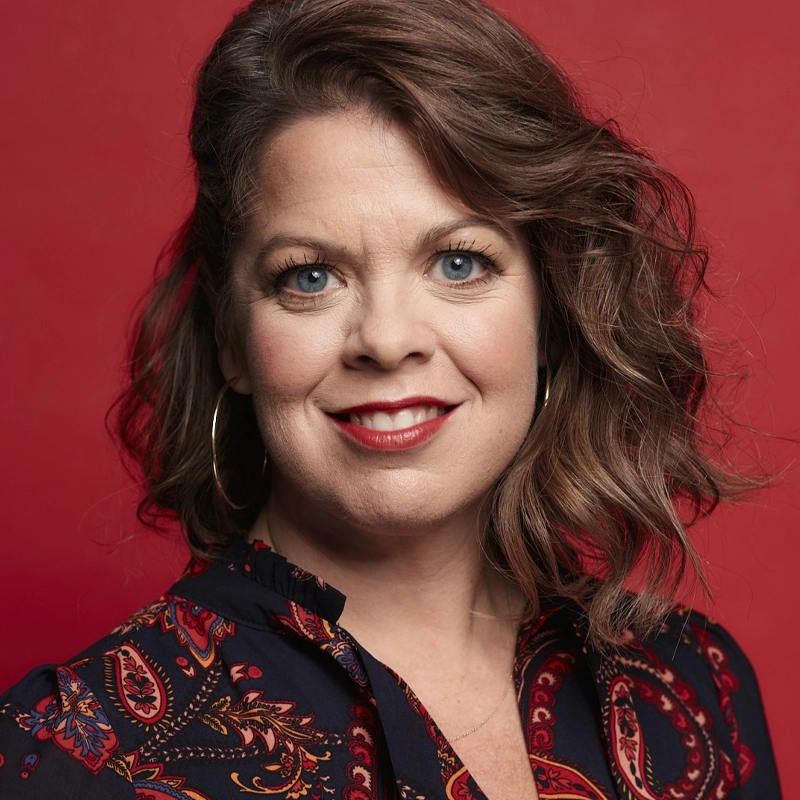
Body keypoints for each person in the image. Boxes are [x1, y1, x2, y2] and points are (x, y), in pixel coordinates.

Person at [0, 0, 780, 797]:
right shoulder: (80, 755)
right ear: (232, 337)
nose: (387, 338)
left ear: (549, 309)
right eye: (310, 276)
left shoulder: (697, 690)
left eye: (457, 263)